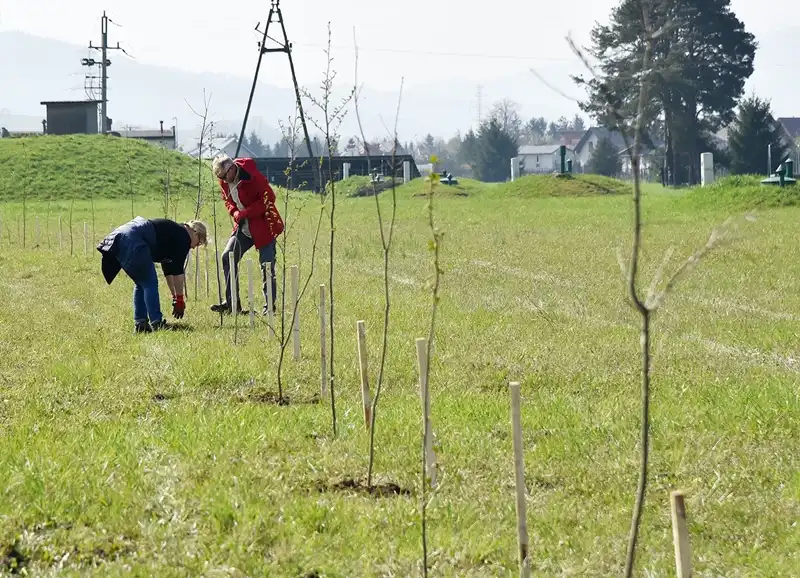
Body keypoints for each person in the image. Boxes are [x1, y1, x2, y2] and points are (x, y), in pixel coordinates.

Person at [97, 216, 208, 333]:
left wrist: (175, 297)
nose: (195, 247)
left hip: (120, 238)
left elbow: (169, 270)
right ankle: (157, 323)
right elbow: (178, 273)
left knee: (141, 283)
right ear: (195, 233)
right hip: (134, 239)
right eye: (199, 242)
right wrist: (180, 299)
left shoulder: (175, 233)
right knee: (149, 283)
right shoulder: (184, 238)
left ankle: (141, 324)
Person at [210, 153, 284, 315]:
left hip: (263, 226)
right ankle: (232, 304)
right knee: (227, 257)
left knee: (267, 266)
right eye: (219, 177)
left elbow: (268, 199)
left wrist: (245, 213)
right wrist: (235, 212)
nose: (222, 181)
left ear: (231, 169)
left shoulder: (252, 176)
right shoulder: (224, 181)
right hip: (242, 227)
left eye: (223, 176)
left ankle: (269, 309)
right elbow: (227, 200)